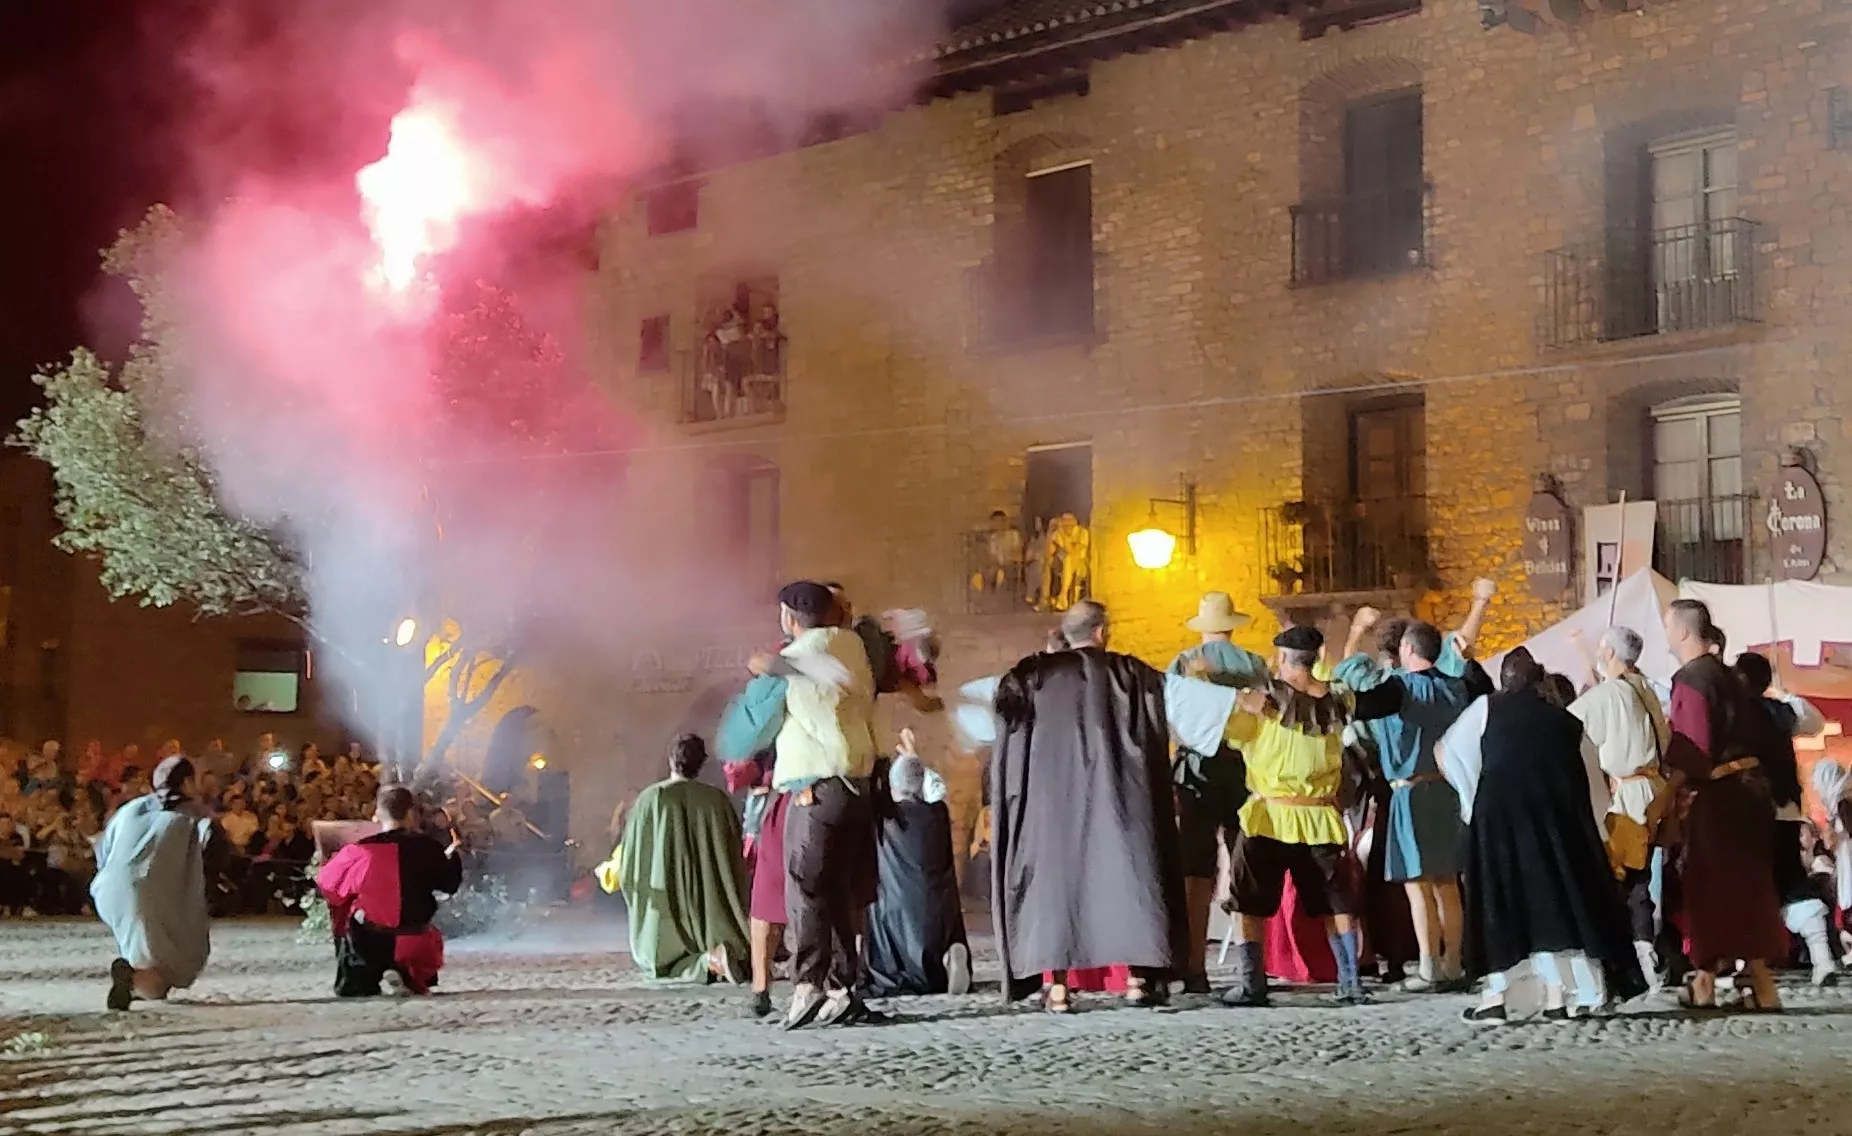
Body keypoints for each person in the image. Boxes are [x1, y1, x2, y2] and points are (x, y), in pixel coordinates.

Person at [990, 600, 1191, 1012]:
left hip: (1049, 807)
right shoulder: (1133, 675)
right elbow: (1181, 709)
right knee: (1131, 877)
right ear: (1103, 632)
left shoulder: (1030, 676)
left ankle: (1058, 989)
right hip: (1121, 800)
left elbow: (1001, 725)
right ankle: (1138, 979)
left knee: (1052, 888)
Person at [1441, 649, 1647, 1023]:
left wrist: (1473, 800)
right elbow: (1590, 781)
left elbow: (1449, 752)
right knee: (1553, 905)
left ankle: (1499, 997)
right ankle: (1558, 997)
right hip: (1555, 826)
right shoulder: (1566, 722)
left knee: (1501, 907)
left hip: (1499, 823)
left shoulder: (1487, 709)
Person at [1220, 625, 1405, 1008]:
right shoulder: (1339, 701)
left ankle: (1253, 984)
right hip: (1319, 816)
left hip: (1269, 815)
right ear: (1316, 658)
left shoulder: (1261, 702)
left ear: (1283, 658)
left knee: (1248, 901)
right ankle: (1349, 982)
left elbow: (1226, 733)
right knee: (1336, 903)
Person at [755, 580, 881, 1029]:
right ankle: (842, 988)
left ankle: (808, 982)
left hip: (816, 784)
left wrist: (769, 666)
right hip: (856, 785)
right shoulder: (854, 647)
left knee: (805, 884)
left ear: (790, 615)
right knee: (837, 891)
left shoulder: (803, 655)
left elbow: (801, 692)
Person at [1334, 611, 1481, 993]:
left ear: (1408, 649)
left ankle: (1430, 966)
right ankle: (1453, 963)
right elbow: (1479, 686)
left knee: (1419, 886)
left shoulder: (1399, 688)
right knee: (1448, 883)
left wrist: (1354, 637)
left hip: (1410, 792)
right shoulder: (1455, 688)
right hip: (1448, 791)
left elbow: (1354, 689)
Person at [1661, 599, 1786, 1010]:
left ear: (1682, 631)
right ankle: (1759, 985)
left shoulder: (1693, 679)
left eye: (1667, 626)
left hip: (1720, 797)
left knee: (1713, 889)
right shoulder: (1730, 677)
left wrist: (1668, 791)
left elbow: (1694, 746)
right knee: (1747, 888)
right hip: (1750, 793)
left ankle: (1706, 983)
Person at [1166, 591, 1269, 993]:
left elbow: (1170, 715)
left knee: (1196, 869)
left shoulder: (1182, 662)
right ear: (1233, 625)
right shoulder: (1255, 664)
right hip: (1244, 766)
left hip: (1196, 768)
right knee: (1244, 862)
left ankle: (1194, 967)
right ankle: (1250, 966)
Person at [1566, 626, 1671, 988]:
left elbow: (1567, 724)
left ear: (1610, 653)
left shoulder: (1611, 693)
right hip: (1652, 791)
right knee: (1639, 876)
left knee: (1625, 879)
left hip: (1628, 797)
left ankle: (1635, 955)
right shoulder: (1646, 689)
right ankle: (1643, 949)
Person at [1734, 650, 1837, 985]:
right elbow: (1814, 719)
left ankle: (1751, 968)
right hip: (1786, 809)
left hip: (1751, 812)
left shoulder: (1734, 713)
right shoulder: (1782, 711)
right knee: (1791, 881)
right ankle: (1822, 959)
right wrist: (1783, 693)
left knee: (1750, 886)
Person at [613, 735, 751, 985]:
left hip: (665, 897)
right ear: (701, 763)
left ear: (670, 759)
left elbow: (634, 859)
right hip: (710, 905)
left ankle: (710, 962)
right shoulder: (716, 800)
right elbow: (732, 859)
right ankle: (715, 954)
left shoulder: (650, 799)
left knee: (661, 962)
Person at [92, 755, 217, 1011]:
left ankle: (135, 976)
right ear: (186, 782)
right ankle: (136, 980)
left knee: (144, 949)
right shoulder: (191, 814)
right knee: (168, 967)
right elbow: (212, 850)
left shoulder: (132, 808)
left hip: (108, 889)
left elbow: (103, 847)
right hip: (150, 893)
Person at [315, 785, 462, 997]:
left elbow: (328, 887)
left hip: (371, 941)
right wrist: (454, 857)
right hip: (415, 938)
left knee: (352, 912)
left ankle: (364, 977)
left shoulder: (360, 850)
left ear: (377, 815)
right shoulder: (429, 847)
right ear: (411, 813)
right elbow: (450, 886)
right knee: (423, 924)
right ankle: (407, 971)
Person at [862, 740, 972, 998]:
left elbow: (869, 790)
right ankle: (947, 958)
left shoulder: (886, 816)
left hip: (899, 909)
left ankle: (910, 971)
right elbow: (937, 787)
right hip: (938, 908)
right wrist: (914, 757)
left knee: (876, 902)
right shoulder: (937, 813)